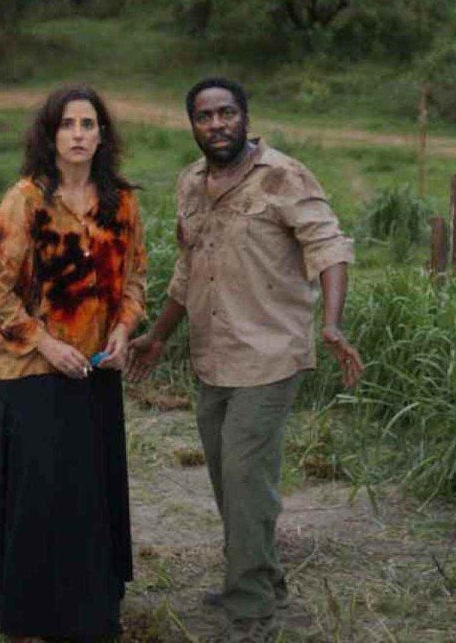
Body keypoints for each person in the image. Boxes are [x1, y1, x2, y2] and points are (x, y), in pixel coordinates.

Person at [128, 77, 363, 642]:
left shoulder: (284, 176)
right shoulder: (190, 183)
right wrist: (158, 336)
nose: (217, 124)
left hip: (270, 356)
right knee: (228, 481)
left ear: (245, 117)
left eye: (226, 113)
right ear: (193, 125)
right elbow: (187, 271)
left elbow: (329, 248)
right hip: (213, 356)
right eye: (205, 116)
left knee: (245, 479)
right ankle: (262, 578)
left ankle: (251, 609)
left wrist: (332, 323)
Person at [0, 85, 146, 642]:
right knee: (42, 492)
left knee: (88, 492)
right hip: (31, 372)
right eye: (67, 124)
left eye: (88, 124)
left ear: (102, 135)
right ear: (49, 135)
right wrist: (47, 345)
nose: (78, 134)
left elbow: (136, 278)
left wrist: (124, 329)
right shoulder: (26, 200)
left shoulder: (122, 202)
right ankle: (32, 615)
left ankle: (90, 609)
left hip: (96, 369)